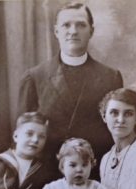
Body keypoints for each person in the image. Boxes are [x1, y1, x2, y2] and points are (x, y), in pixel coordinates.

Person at [17, 2, 123, 179]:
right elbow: (23, 136)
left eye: (81, 25)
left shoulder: (110, 77)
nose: (73, 31)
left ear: (91, 31)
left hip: (95, 173)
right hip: (47, 175)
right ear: (56, 31)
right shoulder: (35, 77)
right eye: (66, 25)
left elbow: (117, 131)